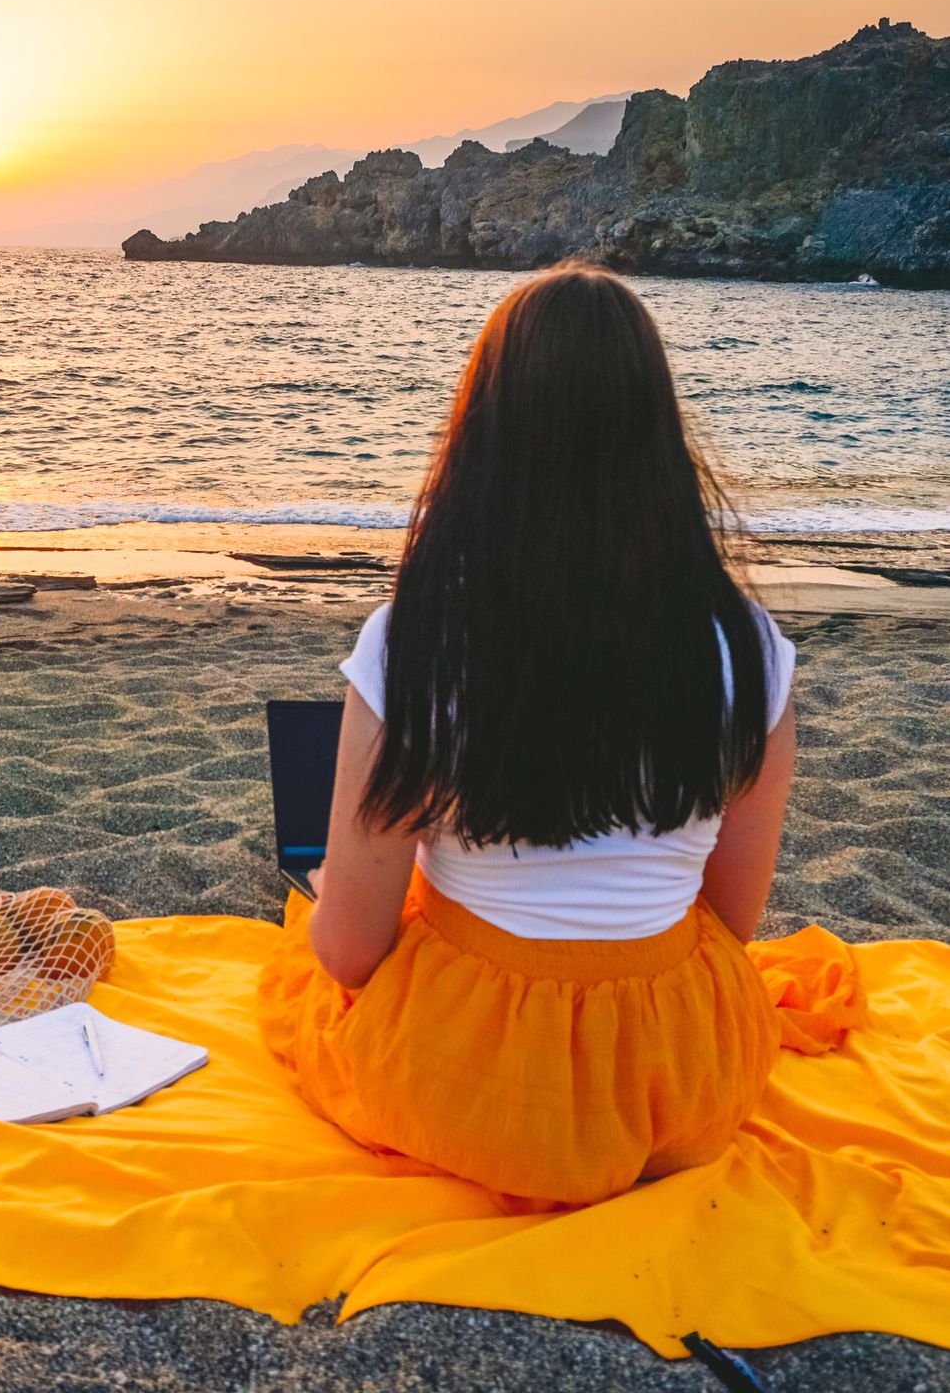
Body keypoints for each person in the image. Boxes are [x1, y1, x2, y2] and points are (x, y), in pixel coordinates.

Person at [260, 264, 796, 1207]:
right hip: (684, 1076)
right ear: (657, 434)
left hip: (473, 1086)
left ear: (486, 431)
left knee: (299, 967)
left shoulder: (418, 640)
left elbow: (349, 953)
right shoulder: (748, 649)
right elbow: (736, 919)